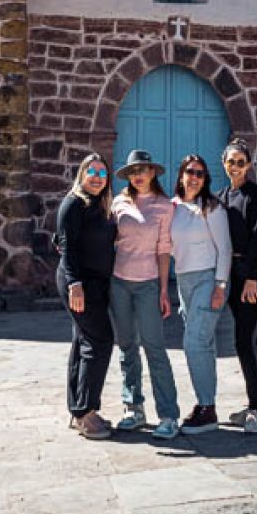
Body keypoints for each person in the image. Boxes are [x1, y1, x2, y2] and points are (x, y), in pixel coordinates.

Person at [109, 148, 180, 438]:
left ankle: (168, 415)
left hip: (149, 284)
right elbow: (106, 240)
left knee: (155, 348)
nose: (138, 176)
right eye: (133, 172)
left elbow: (164, 250)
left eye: (143, 170)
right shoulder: (118, 203)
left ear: (152, 173)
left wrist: (164, 289)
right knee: (127, 346)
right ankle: (133, 408)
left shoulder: (165, 206)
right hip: (118, 283)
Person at [170, 154, 232, 434]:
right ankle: (207, 404)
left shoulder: (212, 208)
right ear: (181, 175)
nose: (194, 177)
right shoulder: (173, 208)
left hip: (209, 279)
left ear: (205, 179)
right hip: (184, 281)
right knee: (203, 343)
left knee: (194, 342)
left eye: (200, 174)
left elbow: (225, 249)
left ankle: (207, 409)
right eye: (189, 172)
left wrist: (220, 285)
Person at [56, 152, 116, 439]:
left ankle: (78, 410)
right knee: (100, 340)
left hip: (96, 283)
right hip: (79, 282)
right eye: (91, 172)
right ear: (81, 174)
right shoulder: (73, 204)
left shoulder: (100, 206)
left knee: (83, 342)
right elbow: (67, 249)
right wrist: (74, 284)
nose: (96, 178)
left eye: (102, 174)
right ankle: (86, 412)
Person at [218, 137, 257, 433]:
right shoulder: (224, 195)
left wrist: (252, 277)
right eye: (231, 162)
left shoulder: (255, 196)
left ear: (249, 165)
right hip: (234, 273)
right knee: (253, 341)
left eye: (241, 162)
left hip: (253, 275)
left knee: (245, 341)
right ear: (224, 164)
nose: (236, 167)